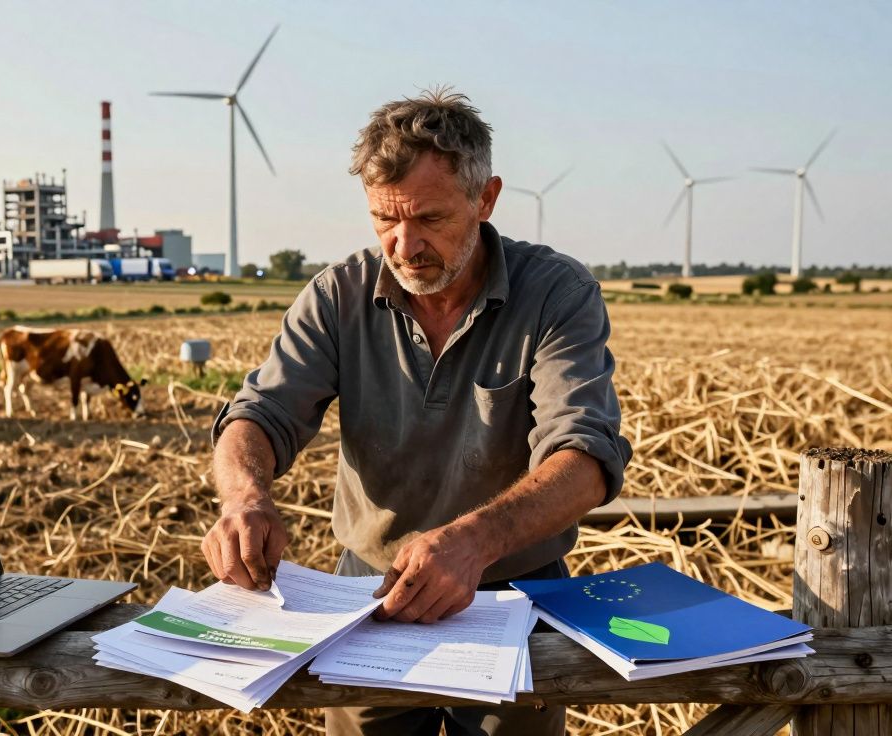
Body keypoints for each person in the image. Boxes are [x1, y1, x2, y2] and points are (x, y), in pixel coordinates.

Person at [202, 88, 632, 736]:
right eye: (384, 220)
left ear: (485, 199)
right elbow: (259, 413)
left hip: (512, 597)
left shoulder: (556, 294)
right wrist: (243, 498)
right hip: (366, 604)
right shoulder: (337, 295)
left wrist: (475, 542)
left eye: (429, 219)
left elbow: (585, 455)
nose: (404, 246)